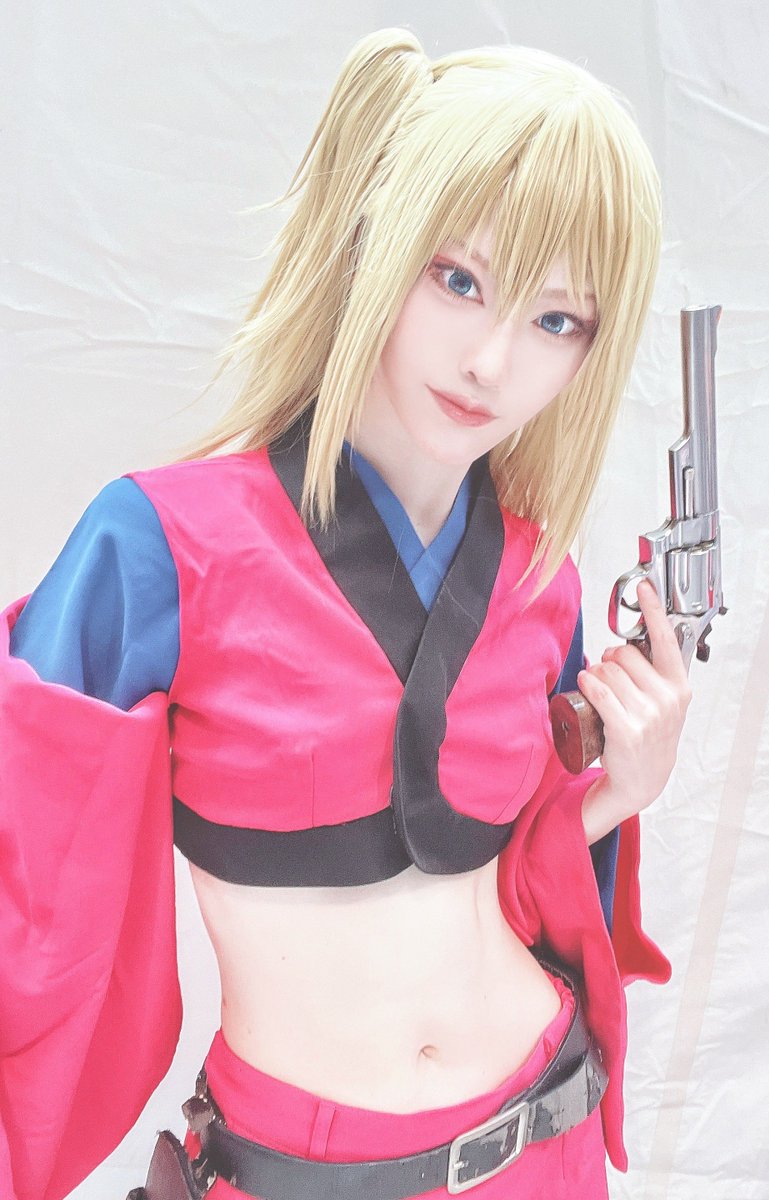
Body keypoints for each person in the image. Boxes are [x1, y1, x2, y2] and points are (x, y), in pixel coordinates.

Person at [0, 27, 690, 1200]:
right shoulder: (160, 544)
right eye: (459, 279)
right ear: (374, 241)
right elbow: (24, 878)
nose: (491, 361)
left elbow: (507, 887)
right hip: (296, 1168)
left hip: (547, 1139)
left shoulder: (541, 578)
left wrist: (621, 791)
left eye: (555, 320)